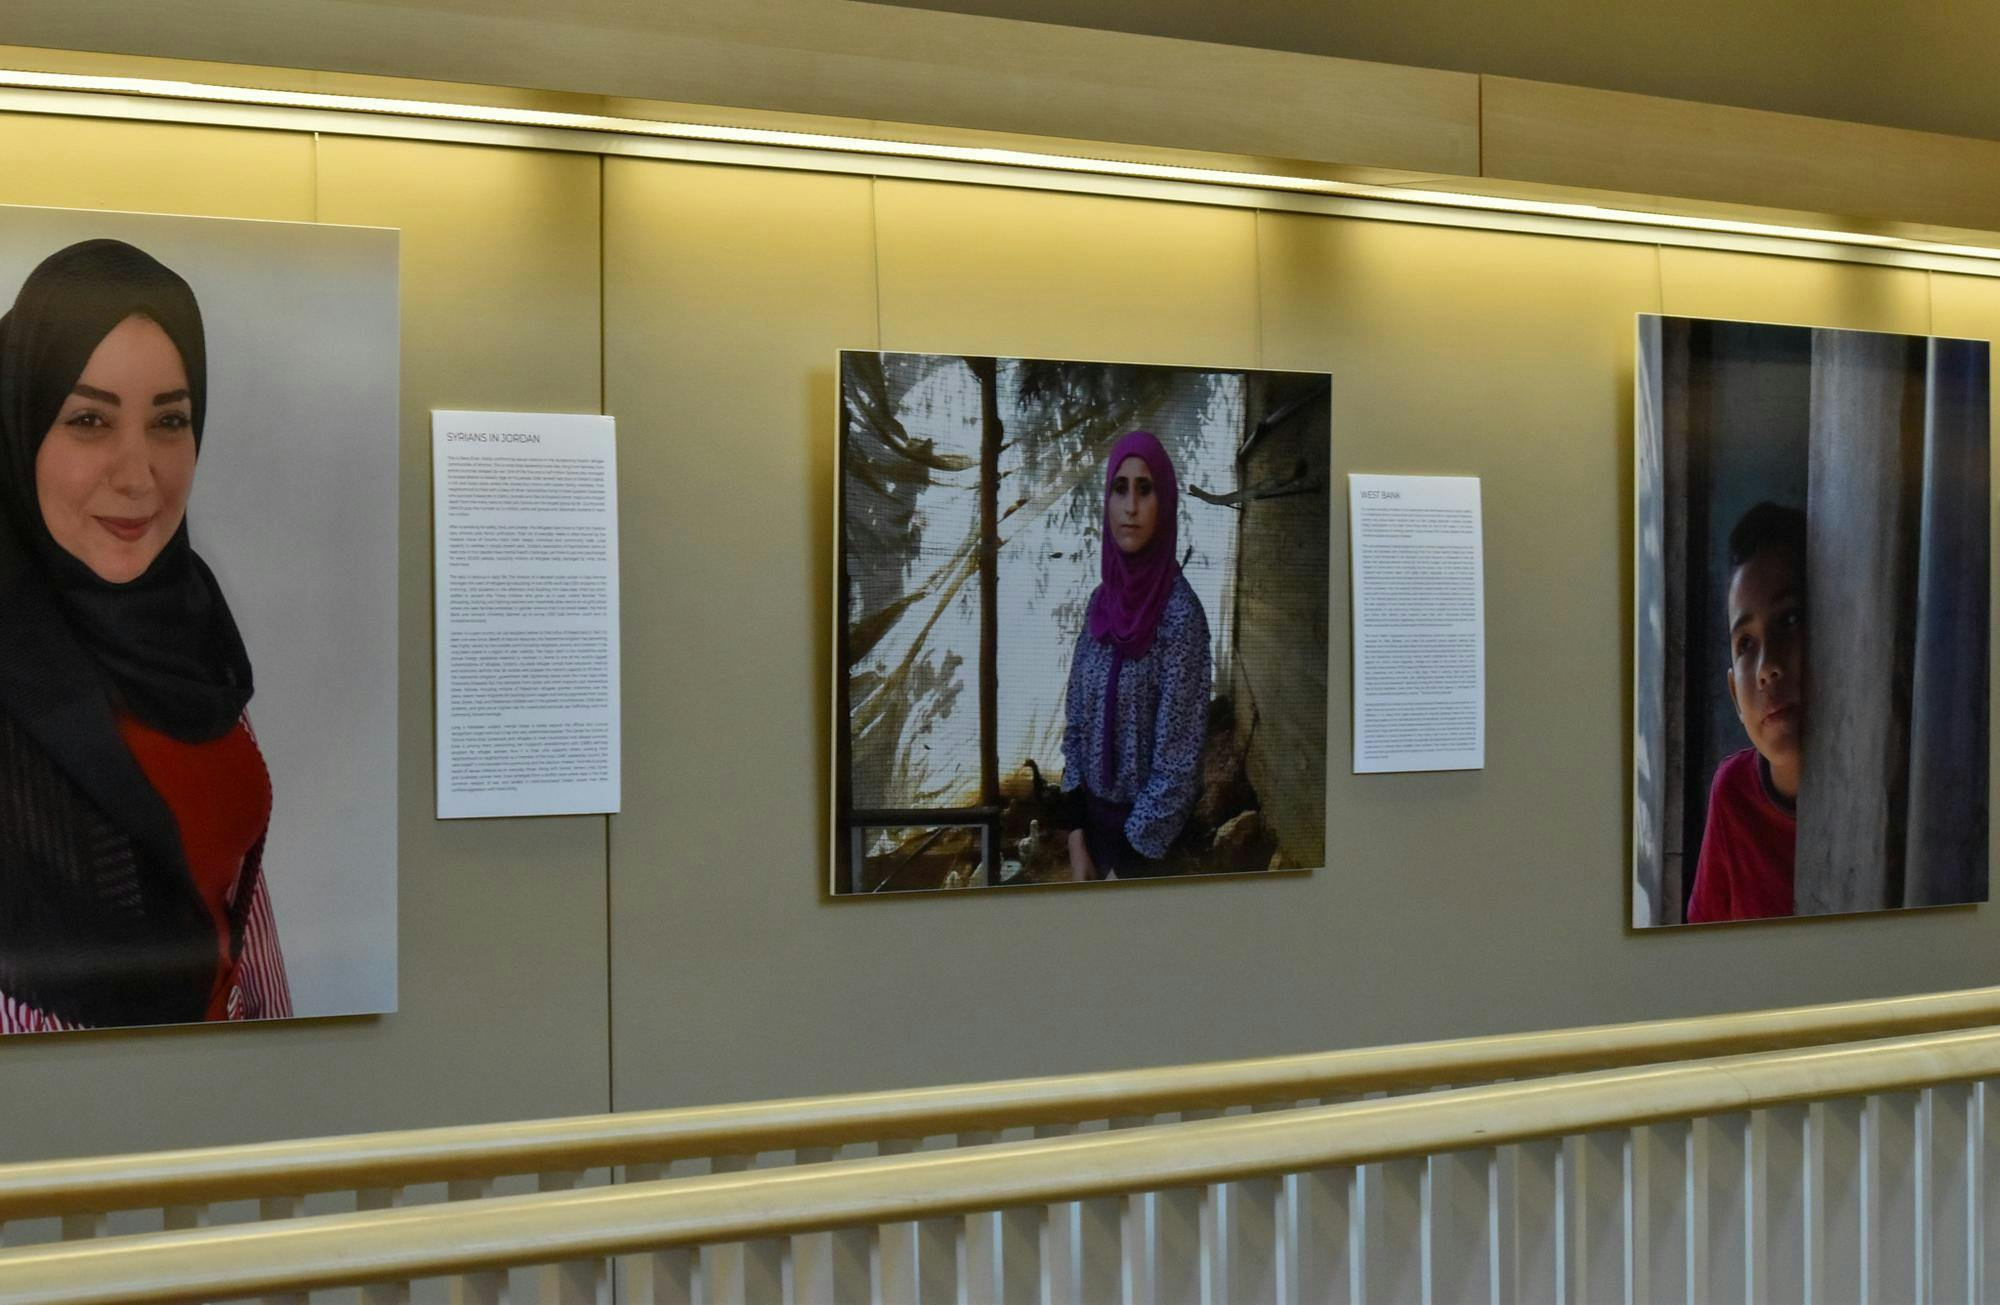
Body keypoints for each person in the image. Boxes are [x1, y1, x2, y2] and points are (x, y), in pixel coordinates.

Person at [0, 238, 289, 1031]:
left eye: (170, 421)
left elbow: (238, 909)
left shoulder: (190, 644)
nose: (139, 475)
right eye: (89, 419)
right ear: (20, 425)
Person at [1059, 430, 1211, 880]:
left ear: (1164, 503)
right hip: (1091, 837)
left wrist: (1122, 871)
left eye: (1145, 490)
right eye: (1119, 488)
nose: (1130, 507)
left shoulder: (1180, 618)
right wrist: (1075, 837)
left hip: (1146, 853)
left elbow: (1178, 765)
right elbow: (1077, 724)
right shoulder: (1099, 604)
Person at [1686, 501, 1806, 923]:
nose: (1768, 667)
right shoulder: (1732, 794)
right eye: (1746, 644)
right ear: (1735, 695)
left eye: (1790, 620)